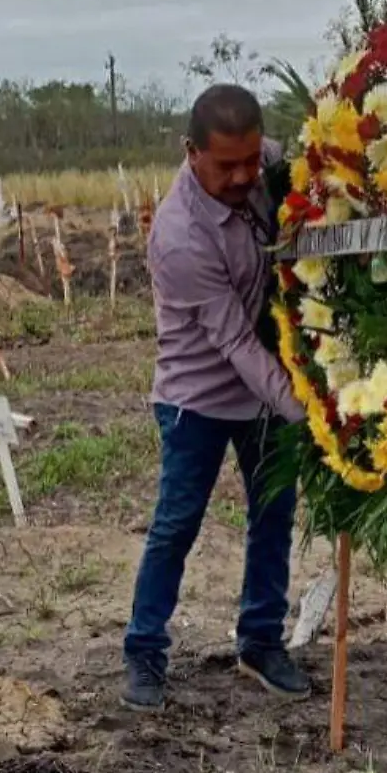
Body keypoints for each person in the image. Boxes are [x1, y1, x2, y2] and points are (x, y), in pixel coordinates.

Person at [121, 84, 310, 713]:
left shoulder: (266, 164)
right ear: (190, 152)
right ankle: (144, 652)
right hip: (196, 398)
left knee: (274, 515)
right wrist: (307, 412)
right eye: (226, 164)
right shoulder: (178, 237)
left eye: (251, 160)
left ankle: (260, 641)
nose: (243, 176)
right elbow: (233, 341)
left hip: (263, 395)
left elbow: (307, 165)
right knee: (177, 525)